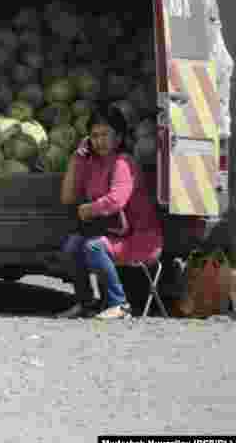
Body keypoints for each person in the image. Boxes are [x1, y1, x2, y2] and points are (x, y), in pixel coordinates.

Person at [57, 105, 164, 320]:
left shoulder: (123, 162)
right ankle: (86, 304)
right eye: (94, 136)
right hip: (114, 234)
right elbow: (67, 198)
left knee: (93, 246)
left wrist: (90, 208)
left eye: (106, 134)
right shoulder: (92, 164)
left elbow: (116, 200)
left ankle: (120, 304)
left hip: (140, 238)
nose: (100, 141)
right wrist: (76, 158)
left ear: (119, 137)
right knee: (71, 247)